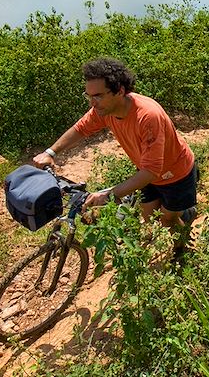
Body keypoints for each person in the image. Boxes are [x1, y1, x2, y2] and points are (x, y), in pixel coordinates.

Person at [32, 57, 198, 247]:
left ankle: (182, 247)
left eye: (98, 96)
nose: (92, 103)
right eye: (89, 96)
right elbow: (81, 128)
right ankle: (182, 212)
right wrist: (51, 152)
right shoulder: (105, 110)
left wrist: (110, 194)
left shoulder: (147, 116)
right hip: (148, 172)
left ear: (120, 90)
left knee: (167, 219)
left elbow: (152, 170)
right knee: (150, 216)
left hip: (175, 173)